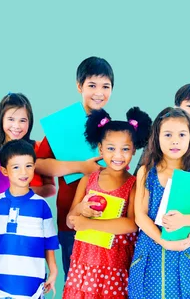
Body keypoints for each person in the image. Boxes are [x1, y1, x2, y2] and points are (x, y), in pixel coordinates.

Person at [34, 56, 114, 277]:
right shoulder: (63, 125)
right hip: (71, 218)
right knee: (74, 283)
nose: (99, 92)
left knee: (100, 284)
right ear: (79, 86)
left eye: (105, 86)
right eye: (92, 85)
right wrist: (81, 167)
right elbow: (39, 165)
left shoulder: (113, 128)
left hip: (106, 219)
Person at [128, 107, 190, 299]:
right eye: (168, 134)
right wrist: (163, 241)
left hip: (182, 257)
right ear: (157, 138)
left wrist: (184, 220)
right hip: (149, 251)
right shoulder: (146, 171)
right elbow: (140, 216)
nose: (175, 140)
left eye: (182, 135)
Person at [63, 107, 152, 298]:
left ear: (134, 150)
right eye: (111, 148)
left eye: (125, 149)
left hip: (114, 264)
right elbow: (70, 220)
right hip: (84, 262)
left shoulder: (133, 184)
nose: (118, 155)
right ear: (100, 149)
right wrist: (80, 209)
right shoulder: (88, 180)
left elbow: (132, 224)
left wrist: (89, 223)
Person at [0, 140, 59, 299]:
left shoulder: (42, 206)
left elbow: (49, 243)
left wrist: (53, 271)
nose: (23, 172)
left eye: (29, 166)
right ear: (4, 170)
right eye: (16, 167)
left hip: (32, 288)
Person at [0, 92, 54, 197]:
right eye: (11, 119)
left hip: (32, 210)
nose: (16, 126)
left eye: (22, 120)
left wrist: (24, 192)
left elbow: (51, 188)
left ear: (30, 122)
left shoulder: (39, 148)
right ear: (1, 120)